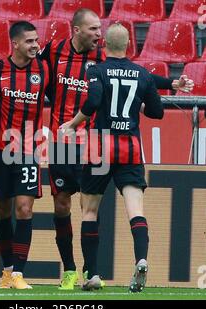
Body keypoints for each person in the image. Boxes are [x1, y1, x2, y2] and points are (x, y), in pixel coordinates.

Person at [39, 8, 194, 290]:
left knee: (88, 208)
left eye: (101, 30)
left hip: (92, 139)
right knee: (62, 203)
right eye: (93, 29)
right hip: (67, 142)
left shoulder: (100, 61)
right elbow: (142, 79)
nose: (98, 34)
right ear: (76, 30)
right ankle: (71, 270)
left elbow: (124, 81)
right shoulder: (54, 51)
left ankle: (90, 272)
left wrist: (170, 82)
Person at [60, 23, 165, 292]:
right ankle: (141, 259)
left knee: (89, 210)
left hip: (100, 146)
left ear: (104, 45)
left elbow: (94, 101)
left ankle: (93, 274)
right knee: (136, 209)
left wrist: (72, 124)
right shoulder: (142, 74)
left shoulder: (96, 70)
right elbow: (156, 112)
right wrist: (137, 103)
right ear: (130, 44)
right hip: (129, 146)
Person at [0, 21, 49, 289]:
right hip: (0, 148)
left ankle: (19, 274)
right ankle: (7, 271)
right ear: (16, 43)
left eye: (37, 40)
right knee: (2, 209)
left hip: (29, 148)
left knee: (24, 208)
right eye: (30, 41)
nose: (35, 45)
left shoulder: (44, 69)